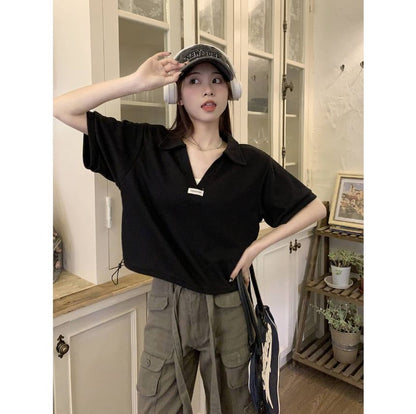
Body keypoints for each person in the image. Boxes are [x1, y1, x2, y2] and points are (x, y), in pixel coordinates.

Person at [54, 44, 326, 414]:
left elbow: (315, 208)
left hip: (229, 303)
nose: (207, 89)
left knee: (234, 405)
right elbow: (62, 108)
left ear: (230, 92)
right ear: (178, 95)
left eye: (217, 80)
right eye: (194, 81)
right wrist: (136, 82)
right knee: (158, 404)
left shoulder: (251, 164)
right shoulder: (145, 147)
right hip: (167, 302)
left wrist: (255, 248)